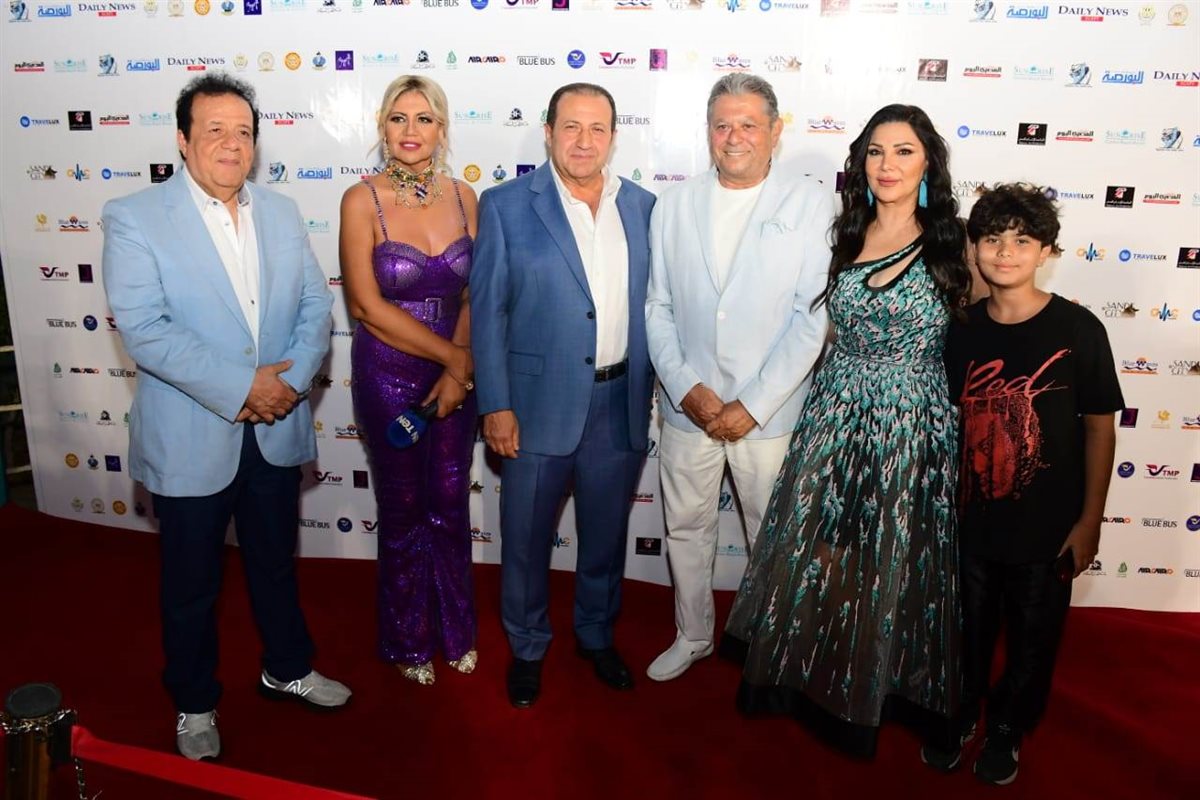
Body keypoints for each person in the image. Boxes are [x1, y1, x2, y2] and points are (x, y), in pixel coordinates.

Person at [101, 73, 349, 761]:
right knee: (190, 586)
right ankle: (193, 701)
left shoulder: (282, 211)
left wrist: (287, 384)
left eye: (243, 131)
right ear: (183, 140)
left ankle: (287, 667)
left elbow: (315, 307)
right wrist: (245, 387)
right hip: (191, 437)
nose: (231, 143)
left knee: (275, 564)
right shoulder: (134, 216)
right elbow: (145, 329)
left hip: (275, 430)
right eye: (214, 130)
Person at [720, 104, 970, 757]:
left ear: (928, 164)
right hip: (834, 414)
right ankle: (817, 675)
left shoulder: (954, 244)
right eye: (876, 152)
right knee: (829, 554)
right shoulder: (845, 234)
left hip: (910, 426)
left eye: (904, 151)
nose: (888, 165)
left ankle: (883, 689)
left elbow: (988, 336)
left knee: (896, 559)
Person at [927, 183, 1122, 785]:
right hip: (972, 523)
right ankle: (961, 714)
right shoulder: (959, 329)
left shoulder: (1079, 329)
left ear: (1047, 252)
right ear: (975, 249)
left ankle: (1008, 727)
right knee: (966, 632)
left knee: (1035, 641)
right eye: (992, 239)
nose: (1005, 252)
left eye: (1022, 241)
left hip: (1048, 528)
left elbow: (1100, 429)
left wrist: (1089, 521)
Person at [470, 83, 656, 708]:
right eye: (571, 126)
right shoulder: (505, 205)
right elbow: (488, 313)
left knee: (605, 537)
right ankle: (527, 647)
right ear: (548, 132)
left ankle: (596, 635)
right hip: (532, 407)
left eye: (597, 128)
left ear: (614, 137)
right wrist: (495, 404)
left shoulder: (643, 207)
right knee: (525, 541)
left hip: (618, 402)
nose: (584, 140)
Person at [644, 74, 834, 682]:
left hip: (769, 416)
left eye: (749, 124)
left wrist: (751, 404)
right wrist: (687, 389)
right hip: (688, 410)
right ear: (707, 131)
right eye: (722, 124)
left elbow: (812, 317)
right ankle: (693, 634)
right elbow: (658, 307)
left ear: (775, 132)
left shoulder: (811, 204)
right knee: (686, 529)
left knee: (770, 536)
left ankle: (771, 646)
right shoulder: (672, 204)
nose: (734, 137)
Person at [340, 76, 479, 686]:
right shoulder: (360, 199)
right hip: (388, 372)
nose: (411, 131)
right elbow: (365, 305)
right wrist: (455, 359)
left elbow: (474, 292)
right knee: (402, 507)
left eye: (424, 119)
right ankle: (407, 638)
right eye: (399, 118)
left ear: (442, 129)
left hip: (456, 373)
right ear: (382, 127)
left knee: (450, 500)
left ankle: (456, 630)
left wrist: (457, 367)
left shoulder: (466, 196)